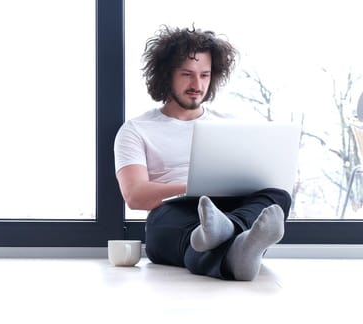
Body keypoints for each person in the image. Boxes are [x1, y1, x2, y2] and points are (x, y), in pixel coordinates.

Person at [113, 25, 291, 281]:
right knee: (179, 229)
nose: (197, 84)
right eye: (187, 74)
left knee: (277, 195)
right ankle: (238, 248)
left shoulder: (231, 125)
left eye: (205, 75)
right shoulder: (136, 130)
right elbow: (135, 195)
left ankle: (232, 236)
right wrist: (193, 187)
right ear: (166, 75)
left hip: (229, 209)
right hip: (174, 211)